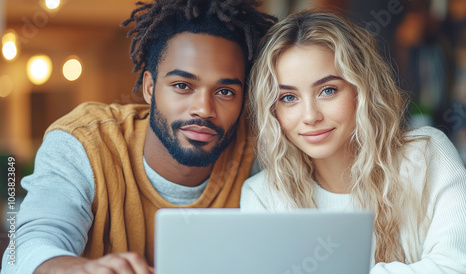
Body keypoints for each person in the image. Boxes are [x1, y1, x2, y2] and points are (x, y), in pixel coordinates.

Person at [1, 1, 276, 273]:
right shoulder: (85, 142)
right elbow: (27, 252)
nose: (204, 109)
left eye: (225, 92)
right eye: (182, 86)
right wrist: (75, 269)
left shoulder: (261, 146)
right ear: (149, 87)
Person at [241, 10, 466, 273]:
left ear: (362, 90)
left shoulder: (426, 156)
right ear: (273, 109)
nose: (310, 116)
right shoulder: (263, 195)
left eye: (328, 90)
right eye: (288, 98)